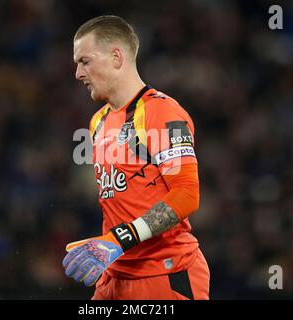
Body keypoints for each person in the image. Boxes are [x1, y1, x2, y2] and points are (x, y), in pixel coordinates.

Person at [63, 15, 210, 300]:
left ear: (116, 57)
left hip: (164, 274)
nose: (78, 74)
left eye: (85, 61)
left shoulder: (162, 112)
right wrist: (107, 246)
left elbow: (186, 194)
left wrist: (118, 240)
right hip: (114, 277)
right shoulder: (98, 122)